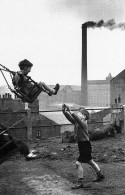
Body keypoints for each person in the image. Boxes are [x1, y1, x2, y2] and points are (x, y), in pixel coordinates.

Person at [62, 104, 105, 189]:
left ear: (85, 117)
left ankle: (80, 182)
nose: (79, 114)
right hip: (82, 144)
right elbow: (70, 118)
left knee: (78, 163)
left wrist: (71, 111)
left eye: (81, 113)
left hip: (85, 145)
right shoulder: (77, 122)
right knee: (90, 161)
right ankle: (100, 175)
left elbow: (77, 119)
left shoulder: (83, 123)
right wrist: (64, 112)